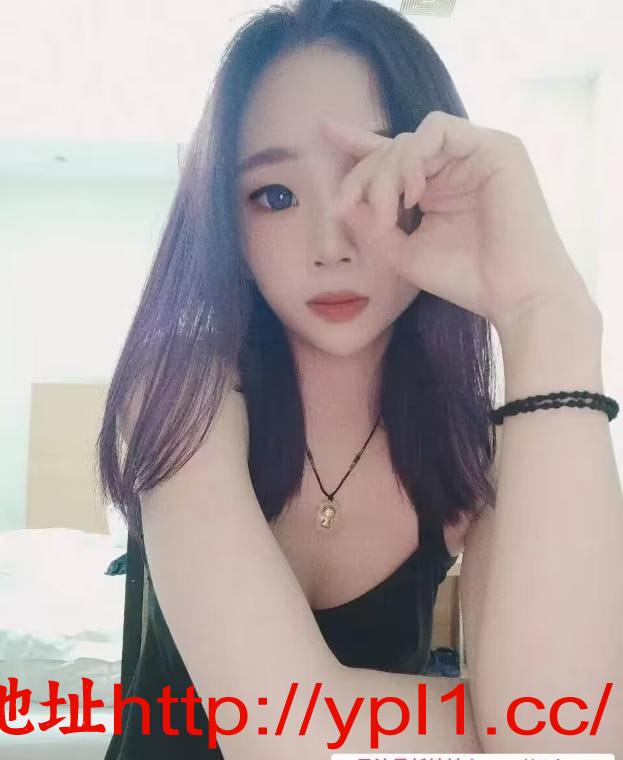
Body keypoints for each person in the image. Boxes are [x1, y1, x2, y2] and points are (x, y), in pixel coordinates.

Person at [97, 0, 623, 757]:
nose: (330, 245)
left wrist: (546, 314)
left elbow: (565, 737)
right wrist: (489, 720)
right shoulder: (181, 387)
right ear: (227, 223)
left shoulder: (472, 449)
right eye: (274, 196)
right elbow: (280, 732)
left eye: (369, 180)